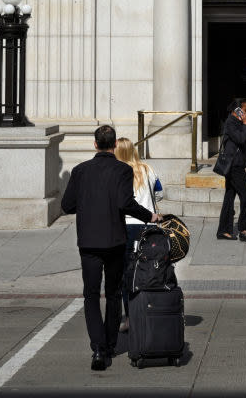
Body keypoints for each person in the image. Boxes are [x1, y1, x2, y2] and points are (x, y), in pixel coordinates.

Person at [61, 124, 160, 371]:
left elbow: (67, 205)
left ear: (95, 144)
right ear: (114, 145)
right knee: (113, 293)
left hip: (89, 241)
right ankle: (110, 343)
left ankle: (98, 347)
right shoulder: (122, 170)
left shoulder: (80, 170)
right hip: (114, 240)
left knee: (91, 295)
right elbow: (125, 203)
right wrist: (150, 216)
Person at [114, 136, 163, 333]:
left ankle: (130, 317)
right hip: (148, 227)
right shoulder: (148, 169)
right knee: (149, 272)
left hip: (125, 227)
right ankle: (152, 311)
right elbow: (159, 193)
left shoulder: (117, 172)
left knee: (128, 275)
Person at [216, 99, 246, 242]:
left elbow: (243, 146)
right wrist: (245, 124)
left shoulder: (236, 124)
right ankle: (243, 230)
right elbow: (239, 138)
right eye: (244, 110)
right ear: (237, 110)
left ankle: (223, 231)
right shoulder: (231, 123)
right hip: (234, 167)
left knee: (229, 198)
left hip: (235, 164)